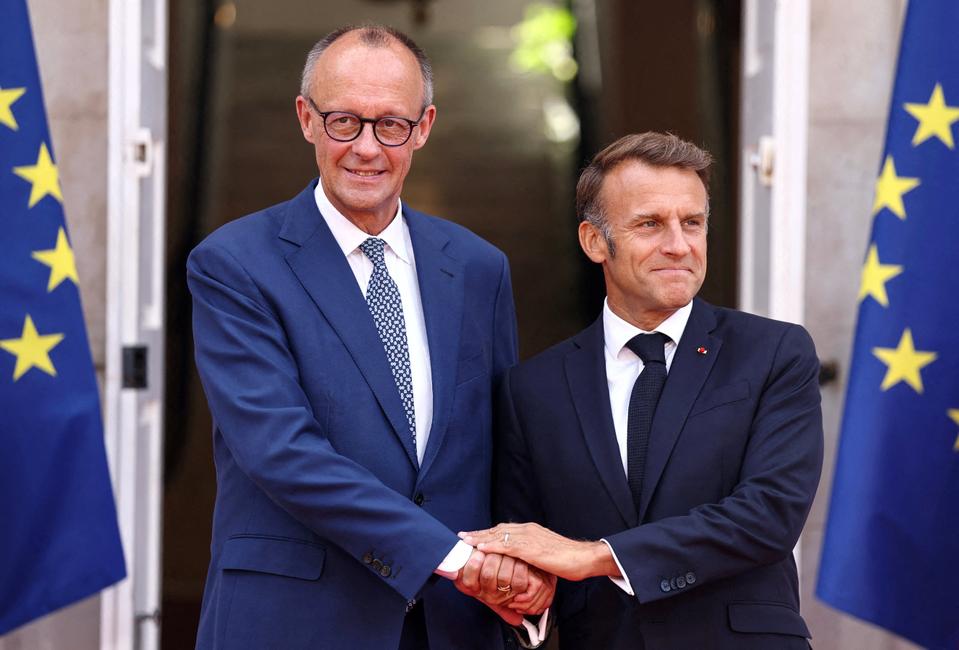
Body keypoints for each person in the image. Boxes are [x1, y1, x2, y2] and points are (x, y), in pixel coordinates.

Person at [188, 25, 552, 650]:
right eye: (343, 122)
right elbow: (280, 451)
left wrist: (517, 569)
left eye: (390, 125)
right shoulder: (235, 264)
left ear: (424, 127)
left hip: (452, 624)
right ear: (306, 118)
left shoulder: (477, 267)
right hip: (297, 622)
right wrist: (454, 559)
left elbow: (500, 447)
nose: (366, 148)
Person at [464, 132, 823, 649]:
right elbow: (531, 554)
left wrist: (596, 556)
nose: (679, 245)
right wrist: (524, 593)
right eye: (650, 224)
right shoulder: (532, 390)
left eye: (692, 222)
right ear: (594, 241)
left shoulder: (774, 353)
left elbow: (770, 514)